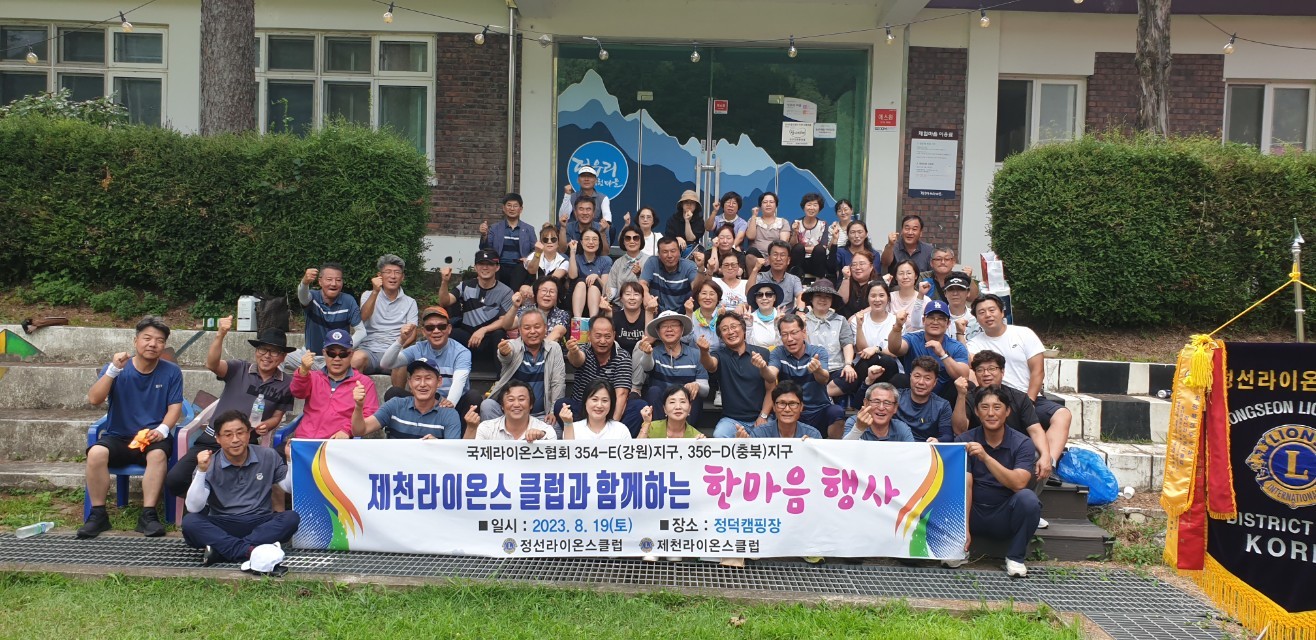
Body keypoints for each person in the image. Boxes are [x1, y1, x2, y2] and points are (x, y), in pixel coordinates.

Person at [166, 318, 295, 501]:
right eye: (263, 349)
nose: (267, 355)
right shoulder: (239, 368)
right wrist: (220, 334)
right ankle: (209, 504)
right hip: (212, 439)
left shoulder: (287, 384)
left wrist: (267, 425)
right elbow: (212, 364)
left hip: (245, 444)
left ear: (283, 357)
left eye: (274, 352)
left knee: (240, 486)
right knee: (175, 480)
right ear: (256, 351)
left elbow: (277, 416)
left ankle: (226, 508)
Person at [79, 316, 184, 538]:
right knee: (96, 453)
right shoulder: (116, 369)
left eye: (159, 340)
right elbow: (94, 399)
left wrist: (163, 430)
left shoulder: (171, 371)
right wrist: (112, 371)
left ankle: (148, 515)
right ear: (136, 341)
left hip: (152, 437)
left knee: (157, 456)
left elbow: (175, 408)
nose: (153, 344)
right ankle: (98, 515)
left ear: (164, 345)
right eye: (147, 338)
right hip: (118, 436)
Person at [967, 294, 1072, 475]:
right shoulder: (974, 344)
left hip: (1028, 396)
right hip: (996, 397)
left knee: (1063, 414)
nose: (988, 315)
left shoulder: (1024, 334)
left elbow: (1038, 370)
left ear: (1002, 312)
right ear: (976, 318)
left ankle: (1048, 465)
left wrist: (1029, 400)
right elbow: (975, 373)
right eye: (981, 312)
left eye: (992, 310)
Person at [182, 411, 300, 566]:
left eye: (240, 433)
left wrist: (290, 460)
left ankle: (222, 550)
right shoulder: (209, 463)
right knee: (190, 522)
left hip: (260, 521)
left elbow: (288, 488)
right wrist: (202, 471)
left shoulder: (268, 455)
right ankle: (251, 550)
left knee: (291, 518)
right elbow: (193, 507)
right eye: (228, 435)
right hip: (223, 522)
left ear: (249, 433)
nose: (235, 439)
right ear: (218, 438)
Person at [954, 385, 1042, 578]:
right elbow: (965, 485)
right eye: (984, 407)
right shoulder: (964, 440)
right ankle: (957, 548)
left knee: (1028, 500)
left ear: (1007, 411)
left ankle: (1015, 558)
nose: (991, 413)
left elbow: (1019, 483)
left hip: (1004, 513)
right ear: (977, 411)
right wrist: (963, 529)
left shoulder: (1022, 443)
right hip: (973, 512)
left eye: (997, 407)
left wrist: (985, 457)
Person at [952, 350, 1051, 479]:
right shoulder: (968, 397)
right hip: (977, 453)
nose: (986, 374)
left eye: (992, 369)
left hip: (1011, 451)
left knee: (1039, 457)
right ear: (975, 374)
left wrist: (1046, 455)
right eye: (980, 370)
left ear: (1002, 371)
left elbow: (1035, 430)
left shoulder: (1019, 398)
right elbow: (959, 430)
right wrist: (961, 395)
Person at [380, 307, 479, 416]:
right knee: (393, 393)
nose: (436, 331)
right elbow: (386, 363)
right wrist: (401, 340)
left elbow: (458, 383)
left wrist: (446, 409)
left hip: (451, 404)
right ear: (423, 331)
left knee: (473, 397)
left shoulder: (461, 352)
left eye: (441, 327)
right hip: (424, 402)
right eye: (430, 328)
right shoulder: (418, 348)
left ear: (449, 329)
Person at [559, 314, 647, 434]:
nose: (602, 341)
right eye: (598, 336)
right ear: (589, 335)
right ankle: (583, 437)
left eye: (607, 336)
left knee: (639, 406)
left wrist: (612, 428)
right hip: (583, 408)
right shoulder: (584, 350)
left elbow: (621, 394)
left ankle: (617, 439)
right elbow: (577, 360)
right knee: (561, 405)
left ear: (614, 335)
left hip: (610, 408)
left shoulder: (622, 356)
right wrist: (573, 351)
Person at [289, 328, 379, 443]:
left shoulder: (364, 383)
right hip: (304, 440)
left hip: (336, 445)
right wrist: (303, 372)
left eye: (343, 354)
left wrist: (347, 430)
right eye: (331, 353)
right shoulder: (312, 377)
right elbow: (297, 393)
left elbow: (369, 414)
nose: (337, 359)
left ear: (351, 354)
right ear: (324, 353)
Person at [480, 309, 566, 426]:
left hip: (541, 416)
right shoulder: (512, 346)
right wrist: (503, 352)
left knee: (556, 425)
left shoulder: (554, 348)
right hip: (508, 416)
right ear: (519, 330)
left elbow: (558, 383)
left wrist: (552, 411)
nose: (532, 331)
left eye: (537, 327)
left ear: (545, 328)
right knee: (487, 405)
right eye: (527, 328)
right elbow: (506, 356)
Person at [767, 315, 846, 439]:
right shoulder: (777, 352)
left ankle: (832, 448)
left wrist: (817, 370)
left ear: (803, 332)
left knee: (836, 412)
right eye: (785, 334)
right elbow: (771, 375)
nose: (789, 339)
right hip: (791, 409)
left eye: (794, 333)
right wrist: (763, 368)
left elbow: (824, 379)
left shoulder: (818, 352)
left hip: (818, 410)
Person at [351, 357, 463, 440]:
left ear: (439, 381)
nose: (422, 384)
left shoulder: (449, 414)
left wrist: (439, 446)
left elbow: (453, 454)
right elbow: (359, 430)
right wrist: (358, 406)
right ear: (409, 382)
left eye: (428, 378)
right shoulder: (395, 405)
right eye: (417, 378)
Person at [702, 312, 774, 438]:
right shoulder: (719, 355)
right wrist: (704, 351)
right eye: (725, 329)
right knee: (719, 435)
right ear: (721, 336)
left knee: (771, 439)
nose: (730, 332)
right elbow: (710, 365)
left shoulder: (762, 353)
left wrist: (763, 416)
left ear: (743, 328)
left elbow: (771, 388)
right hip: (732, 420)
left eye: (734, 326)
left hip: (762, 416)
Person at [887, 300, 971, 403]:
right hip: (913, 392)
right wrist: (898, 326)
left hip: (943, 398)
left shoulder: (956, 347)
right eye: (931, 317)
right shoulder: (913, 339)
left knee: (962, 384)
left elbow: (964, 376)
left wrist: (943, 355)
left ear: (948, 323)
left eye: (941, 318)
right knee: (899, 379)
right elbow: (894, 349)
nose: (935, 322)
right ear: (923, 320)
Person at [635, 310, 708, 425]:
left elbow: (706, 390)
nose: (669, 329)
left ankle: (686, 432)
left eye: (674, 325)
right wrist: (647, 354)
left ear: (682, 329)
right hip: (661, 405)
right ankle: (660, 431)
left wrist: (696, 385)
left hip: (684, 404)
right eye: (664, 326)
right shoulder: (654, 352)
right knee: (653, 391)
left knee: (695, 393)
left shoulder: (696, 354)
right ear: (658, 331)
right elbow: (647, 367)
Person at [353, 254, 419, 376]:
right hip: (369, 350)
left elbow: (413, 334)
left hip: (394, 351)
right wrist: (375, 292)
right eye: (388, 272)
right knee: (356, 359)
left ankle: (397, 390)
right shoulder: (368, 295)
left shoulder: (410, 302)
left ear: (402, 277)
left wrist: (397, 348)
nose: (393, 276)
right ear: (379, 276)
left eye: (397, 272)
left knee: (401, 362)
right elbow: (362, 318)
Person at [440, 251, 513, 359]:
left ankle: (500, 370)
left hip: (489, 337)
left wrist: (484, 330)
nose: (485, 267)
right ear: (475, 267)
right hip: (468, 335)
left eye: (489, 264)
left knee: (499, 334)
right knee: (451, 332)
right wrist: (444, 282)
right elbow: (445, 302)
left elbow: (504, 320)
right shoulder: (465, 285)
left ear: (497, 267)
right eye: (481, 264)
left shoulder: (506, 291)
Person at [801, 280, 861, 407]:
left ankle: (819, 396)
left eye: (827, 297)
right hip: (811, 367)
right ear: (811, 298)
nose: (823, 299)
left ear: (832, 300)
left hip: (835, 368)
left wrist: (848, 365)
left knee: (851, 378)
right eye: (818, 295)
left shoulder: (840, 320)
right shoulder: (802, 320)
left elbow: (847, 343)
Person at [297, 262, 364, 357]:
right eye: (329, 279)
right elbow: (303, 297)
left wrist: (344, 349)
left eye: (338, 280)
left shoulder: (348, 301)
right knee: (283, 356)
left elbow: (361, 331)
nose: (334, 284)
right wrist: (304, 282)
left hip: (338, 358)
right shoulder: (313, 297)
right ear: (320, 281)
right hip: (311, 356)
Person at [849, 278, 903, 386]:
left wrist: (877, 349)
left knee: (886, 360)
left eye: (881, 295)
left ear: (888, 298)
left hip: (889, 367)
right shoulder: (857, 320)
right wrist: (859, 326)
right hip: (864, 366)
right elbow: (862, 350)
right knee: (870, 359)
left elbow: (895, 351)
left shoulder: (896, 321)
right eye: (873, 296)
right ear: (867, 298)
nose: (877, 299)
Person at [480, 193, 536, 291]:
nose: (512, 209)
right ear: (504, 208)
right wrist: (484, 235)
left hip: (519, 266)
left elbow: (535, 250)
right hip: (499, 265)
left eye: (515, 206)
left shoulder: (529, 229)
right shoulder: (494, 228)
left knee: (520, 272)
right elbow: (486, 250)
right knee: (494, 270)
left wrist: (528, 259)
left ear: (521, 209)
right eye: (509, 205)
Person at [468, 380, 557, 441]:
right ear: (502, 405)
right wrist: (471, 428)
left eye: (521, 399)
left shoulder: (546, 431)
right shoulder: (486, 428)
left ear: (531, 404)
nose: (516, 404)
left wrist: (541, 441)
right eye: (511, 400)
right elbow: (468, 458)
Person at [734, 381, 822, 439]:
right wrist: (743, 445)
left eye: (792, 404)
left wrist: (813, 448)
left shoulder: (813, 435)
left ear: (801, 407)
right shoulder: (760, 434)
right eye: (782, 403)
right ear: (774, 407)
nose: (787, 409)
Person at [896, 356, 955, 442]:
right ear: (910, 377)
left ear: (935, 382)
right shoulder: (896, 397)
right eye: (917, 376)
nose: (921, 382)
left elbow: (947, 435)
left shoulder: (942, 406)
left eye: (927, 378)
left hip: (926, 447)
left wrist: (938, 440)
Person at [502, 277, 570, 344]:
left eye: (552, 291)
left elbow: (557, 333)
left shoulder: (562, 314)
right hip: (524, 350)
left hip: (550, 350)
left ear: (557, 296)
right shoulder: (525, 310)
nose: (547, 294)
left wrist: (538, 349)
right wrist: (515, 306)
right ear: (536, 293)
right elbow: (507, 326)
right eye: (544, 290)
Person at [641, 236, 699, 313]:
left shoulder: (689, 266)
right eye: (665, 252)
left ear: (679, 252)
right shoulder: (652, 262)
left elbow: (696, 288)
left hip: (683, 312)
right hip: (657, 311)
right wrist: (645, 294)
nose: (669, 255)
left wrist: (701, 269)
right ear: (659, 254)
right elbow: (642, 283)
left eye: (673, 251)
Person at [561, 380, 633, 440]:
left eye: (604, 400)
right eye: (594, 399)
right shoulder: (573, 428)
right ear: (585, 401)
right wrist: (568, 423)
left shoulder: (621, 430)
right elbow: (569, 451)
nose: (599, 405)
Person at [843, 383, 915, 442]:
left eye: (887, 403)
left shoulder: (901, 428)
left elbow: (912, 453)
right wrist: (858, 429)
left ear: (895, 408)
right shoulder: (855, 422)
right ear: (866, 404)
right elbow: (844, 451)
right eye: (876, 401)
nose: (881, 408)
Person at [567, 227, 613, 318]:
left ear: (599, 242)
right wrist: (572, 252)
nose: (591, 242)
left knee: (593, 286)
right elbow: (572, 276)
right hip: (575, 301)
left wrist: (597, 277)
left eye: (595, 239)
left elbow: (606, 290)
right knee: (581, 282)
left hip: (598, 301)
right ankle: (577, 320)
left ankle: (593, 321)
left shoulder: (606, 260)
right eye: (587, 239)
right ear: (581, 242)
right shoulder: (576, 258)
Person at [559, 165, 612, 237]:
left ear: (596, 180)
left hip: (595, 231)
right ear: (578, 180)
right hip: (575, 232)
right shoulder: (572, 196)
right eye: (583, 176)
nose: (586, 179)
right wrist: (567, 195)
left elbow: (607, 219)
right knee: (560, 225)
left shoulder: (603, 198)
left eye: (590, 176)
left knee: (611, 228)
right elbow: (563, 217)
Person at [789, 192, 831, 279]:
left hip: (816, 261)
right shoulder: (796, 223)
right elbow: (793, 247)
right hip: (799, 260)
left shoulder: (823, 224)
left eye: (815, 205)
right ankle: (795, 279)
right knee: (798, 248)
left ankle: (819, 280)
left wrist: (804, 249)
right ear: (804, 207)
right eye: (809, 205)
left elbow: (823, 248)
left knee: (819, 249)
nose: (812, 208)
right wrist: (795, 233)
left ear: (819, 208)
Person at [756, 240, 804, 312]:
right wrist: (755, 270)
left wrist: (800, 310)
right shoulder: (760, 277)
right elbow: (748, 294)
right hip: (764, 316)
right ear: (769, 258)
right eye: (775, 254)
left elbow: (800, 297)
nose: (778, 259)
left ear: (788, 260)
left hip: (786, 317)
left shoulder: (794, 280)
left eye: (782, 255)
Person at [639, 388, 704, 439]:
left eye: (682, 402)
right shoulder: (651, 427)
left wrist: (703, 444)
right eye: (672, 402)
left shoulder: (696, 436)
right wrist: (646, 424)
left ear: (690, 408)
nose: (678, 407)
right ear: (664, 409)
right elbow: (638, 449)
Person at [608, 225, 649, 302]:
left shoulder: (649, 261)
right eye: (627, 238)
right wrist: (606, 302)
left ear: (641, 241)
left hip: (643, 304)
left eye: (636, 238)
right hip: (620, 304)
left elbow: (652, 288)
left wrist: (639, 275)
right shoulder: (618, 262)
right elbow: (611, 287)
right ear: (623, 242)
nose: (632, 241)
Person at [888, 259, 929, 332]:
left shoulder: (925, 300)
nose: (905, 277)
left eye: (909, 273)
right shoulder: (889, 298)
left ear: (916, 276)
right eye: (901, 273)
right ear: (896, 277)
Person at [609, 281, 650, 354]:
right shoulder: (615, 317)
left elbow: (650, 340)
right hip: (620, 357)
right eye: (628, 294)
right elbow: (609, 340)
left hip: (642, 356)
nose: (632, 298)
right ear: (621, 299)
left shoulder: (647, 316)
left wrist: (650, 312)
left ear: (642, 299)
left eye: (636, 294)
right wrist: (607, 313)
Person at [745, 192, 790, 258]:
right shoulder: (753, 220)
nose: (768, 204)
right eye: (765, 202)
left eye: (771, 202)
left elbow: (783, 243)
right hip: (756, 256)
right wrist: (754, 216)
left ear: (776, 205)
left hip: (775, 256)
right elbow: (750, 236)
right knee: (751, 252)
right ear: (760, 206)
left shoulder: (783, 222)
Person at [836, 247, 878, 318]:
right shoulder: (845, 281)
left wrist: (855, 317)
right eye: (854, 264)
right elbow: (840, 302)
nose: (857, 267)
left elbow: (879, 305)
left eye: (862, 264)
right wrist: (846, 278)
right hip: (844, 322)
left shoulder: (877, 284)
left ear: (871, 267)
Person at [943, 271, 983, 344]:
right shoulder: (938, 317)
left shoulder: (977, 318)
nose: (955, 293)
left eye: (960, 289)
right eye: (951, 289)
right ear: (945, 293)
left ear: (968, 292)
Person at [745, 281, 784, 351]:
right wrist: (749, 327)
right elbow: (749, 347)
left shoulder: (782, 318)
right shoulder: (748, 319)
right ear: (755, 299)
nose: (764, 298)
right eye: (759, 295)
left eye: (769, 294)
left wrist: (778, 326)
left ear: (774, 298)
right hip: (756, 356)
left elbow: (784, 346)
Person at [687, 280, 723, 352]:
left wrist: (722, 319)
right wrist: (688, 314)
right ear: (697, 296)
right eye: (704, 293)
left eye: (712, 294)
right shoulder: (691, 315)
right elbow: (685, 339)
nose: (707, 297)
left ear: (718, 297)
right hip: (696, 357)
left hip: (721, 357)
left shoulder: (724, 315)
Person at [710, 249, 749, 313]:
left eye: (733, 265)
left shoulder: (746, 283)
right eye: (726, 265)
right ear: (720, 268)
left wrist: (743, 305)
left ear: (738, 267)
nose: (730, 268)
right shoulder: (714, 281)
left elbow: (752, 302)